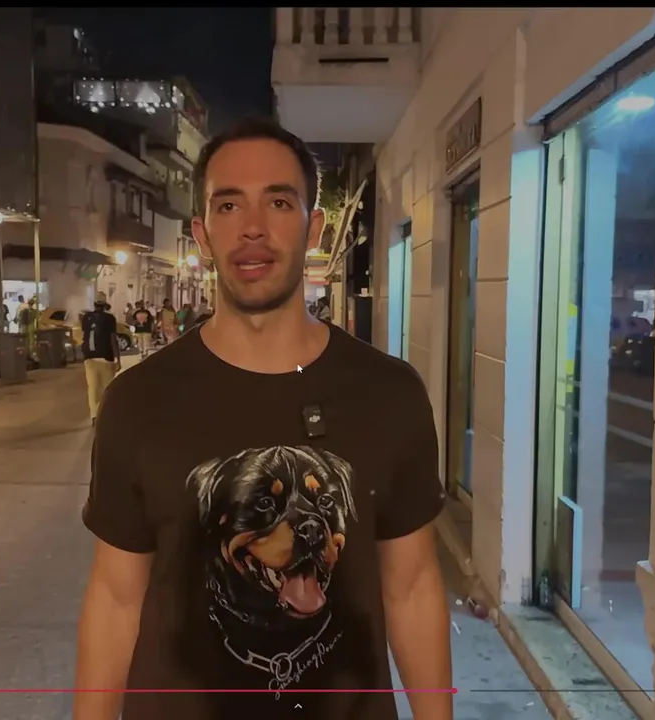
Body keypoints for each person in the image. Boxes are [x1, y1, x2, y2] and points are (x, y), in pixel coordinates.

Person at [76, 117, 451, 720]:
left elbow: (411, 589)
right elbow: (116, 598)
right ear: (202, 234)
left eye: (279, 202)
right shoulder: (137, 400)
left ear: (314, 228)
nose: (252, 227)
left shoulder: (390, 393)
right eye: (228, 205)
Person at [81, 292, 121, 421]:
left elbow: (85, 335)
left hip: (90, 358)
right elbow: (113, 339)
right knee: (106, 389)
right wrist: (118, 359)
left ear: (94, 304)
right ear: (104, 305)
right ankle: (105, 415)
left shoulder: (86, 317)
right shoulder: (109, 318)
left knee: (92, 388)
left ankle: (94, 415)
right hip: (106, 358)